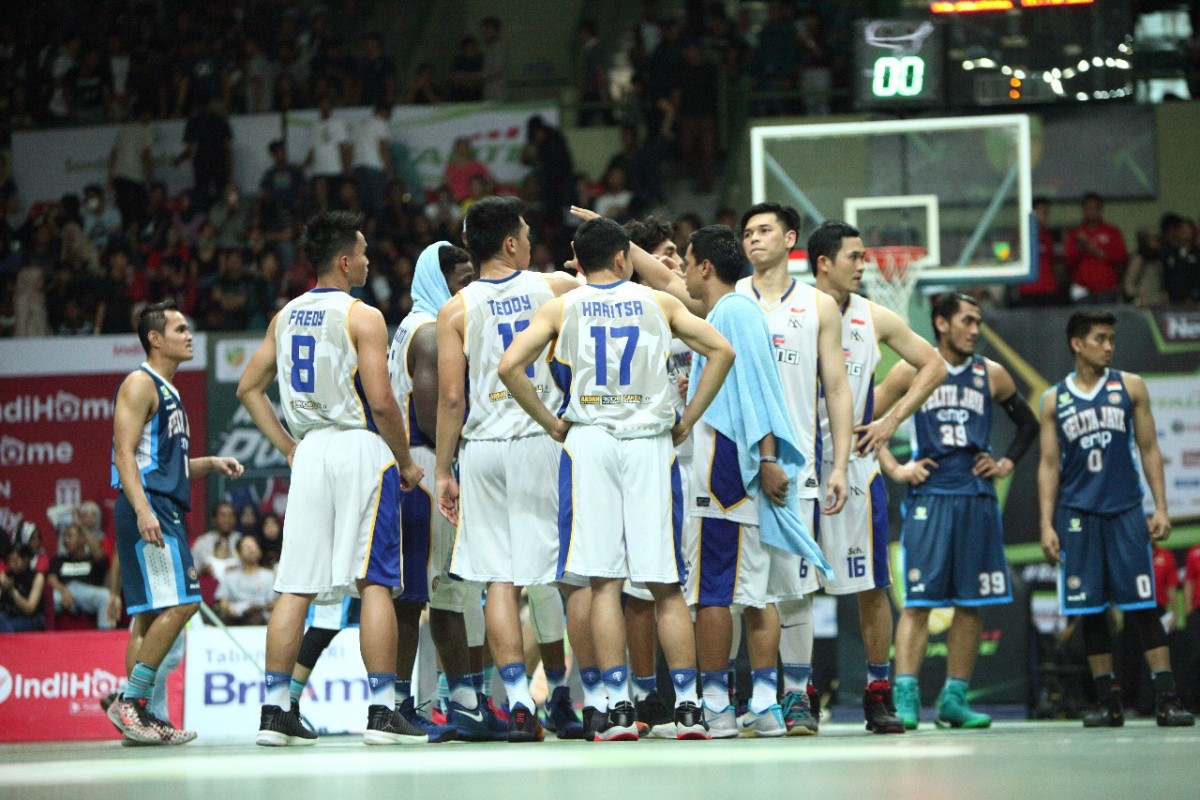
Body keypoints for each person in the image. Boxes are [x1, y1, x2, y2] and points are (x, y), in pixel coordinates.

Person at [498, 217, 733, 741]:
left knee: (603, 580)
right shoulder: (660, 303)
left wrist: (551, 422)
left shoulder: (562, 306)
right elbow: (723, 351)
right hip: (650, 442)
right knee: (665, 583)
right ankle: (691, 708)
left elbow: (511, 365)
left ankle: (619, 706)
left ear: (579, 263)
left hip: (591, 442)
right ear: (624, 258)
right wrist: (689, 416)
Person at [236, 210, 427, 747]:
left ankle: (274, 712)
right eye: (363, 253)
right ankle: (382, 711)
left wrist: (289, 447)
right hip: (359, 448)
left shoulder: (285, 315)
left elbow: (249, 388)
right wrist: (407, 461)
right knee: (376, 583)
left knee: (295, 584)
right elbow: (384, 402)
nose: (368, 260)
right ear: (345, 262)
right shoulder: (361, 316)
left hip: (313, 452)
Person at [434, 196, 592, 742]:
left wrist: (442, 469)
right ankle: (566, 699)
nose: (528, 242)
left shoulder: (454, 309)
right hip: (539, 436)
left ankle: (520, 703)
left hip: (481, 449)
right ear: (509, 243)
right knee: (549, 577)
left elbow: (452, 399)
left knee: (499, 580)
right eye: (524, 234)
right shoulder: (554, 287)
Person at [875, 292, 1039, 730]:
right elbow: (861, 420)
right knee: (919, 603)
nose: (974, 329)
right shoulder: (912, 369)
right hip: (930, 498)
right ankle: (906, 698)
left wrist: (1005, 463)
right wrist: (896, 466)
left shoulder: (992, 374)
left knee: (970, 604)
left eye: (978, 322)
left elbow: (1029, 424)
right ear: (942, 324)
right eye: (967, 321)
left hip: (977, 498)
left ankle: (954, 700)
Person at [808, 220, 946, 734]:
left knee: (871, 585)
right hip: (800, 462)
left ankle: (877, 691)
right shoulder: (791, 309)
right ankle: (795, 690)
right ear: (824, 262)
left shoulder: (874, 316)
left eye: (865, 257)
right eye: (855, 257)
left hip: (858, 467)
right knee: (790, 589)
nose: (864, 266)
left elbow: (932, 364)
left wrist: (891, 420)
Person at [1037, 309, 1194, 727]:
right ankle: (1108, 702)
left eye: (1112, 339)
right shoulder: (1054, 399)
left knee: (1143, 606)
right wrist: (1045, 523)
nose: (1109, 346)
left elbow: (1149, 448)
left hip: (1124, 510)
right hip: (1077, 514)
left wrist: (1160, 506)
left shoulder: (1130, 386)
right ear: (1077, 343)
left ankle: (1167, 697)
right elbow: (1049, 465)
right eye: (1100, 338)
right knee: (1090, 611)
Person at [106, 301, 245, 745]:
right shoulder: (139, 383)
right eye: (180, 329)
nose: (189, 335)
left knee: (148, 616)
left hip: (158, 502)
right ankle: (131, 700)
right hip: (151, 508)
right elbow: (124, 454)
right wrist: (144, 509)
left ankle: (139, 718)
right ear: (155, 338)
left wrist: (211, 463)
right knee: (184, 603)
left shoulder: (170, 390)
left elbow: (171, 463)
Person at [386, 241, 486, 743]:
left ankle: (465, 701)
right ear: (436, 280)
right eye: (462, 282)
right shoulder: (428, 334)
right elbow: (432, 416)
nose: (469, 291)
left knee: (442, 594)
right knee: (420, 597)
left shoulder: (413, 324)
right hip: (426, 468)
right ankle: (399, 705)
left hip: (417, 468)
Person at [48, 522, 120, 629]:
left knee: (105, 596)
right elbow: (51, 578)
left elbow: (99, 554)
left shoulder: (92, 558)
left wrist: (83, 527)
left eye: (70, 536)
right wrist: (63, 591)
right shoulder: (59, 559)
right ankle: (44, 637)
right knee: (49, 599)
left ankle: (106, 636)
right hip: (64, 591)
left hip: (87, 593)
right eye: (65, 536)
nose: (66, 540)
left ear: (82, 539)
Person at [1064, 193, 1128, 304]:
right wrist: (1081, 248)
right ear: (1083, 210)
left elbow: (1122, 257)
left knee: (1103, 321)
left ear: (1100, 210)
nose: (1091, 212)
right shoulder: (1075, 233)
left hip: (1107, 290)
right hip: (1082, 290)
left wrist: (1097, 251)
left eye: (1095, 208)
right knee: (1084, 320)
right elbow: (1068, 261)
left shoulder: (1112, 231)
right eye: (1088, 208)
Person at [215, 535, 277, 625]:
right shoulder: (230, 576)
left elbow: (276, 602)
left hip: (261, 618)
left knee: (255, 617)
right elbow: (223, 601)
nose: (251, 550)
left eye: (254, 546)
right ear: (239, 553)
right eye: (247, 547)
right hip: (234, 617)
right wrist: (229, 610)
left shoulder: (270, 576)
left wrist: (259, 607)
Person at [0, 544, 45, 632]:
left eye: (15, 561)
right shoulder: (6, 575)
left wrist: (12, 591)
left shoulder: (37, 577)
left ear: (25, 559)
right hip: (8, 615)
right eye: (10, 561)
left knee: (5, 626)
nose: (12, 565)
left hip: (30, 619)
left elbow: (29, 609)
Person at [191, 501, 241, 579]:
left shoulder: (242, 540)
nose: (227, 520)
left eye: (231, 516)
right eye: (223, 515)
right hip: (209, 587)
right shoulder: (202, 542)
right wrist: (204, 572)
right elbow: (191, 573)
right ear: (214, 519)